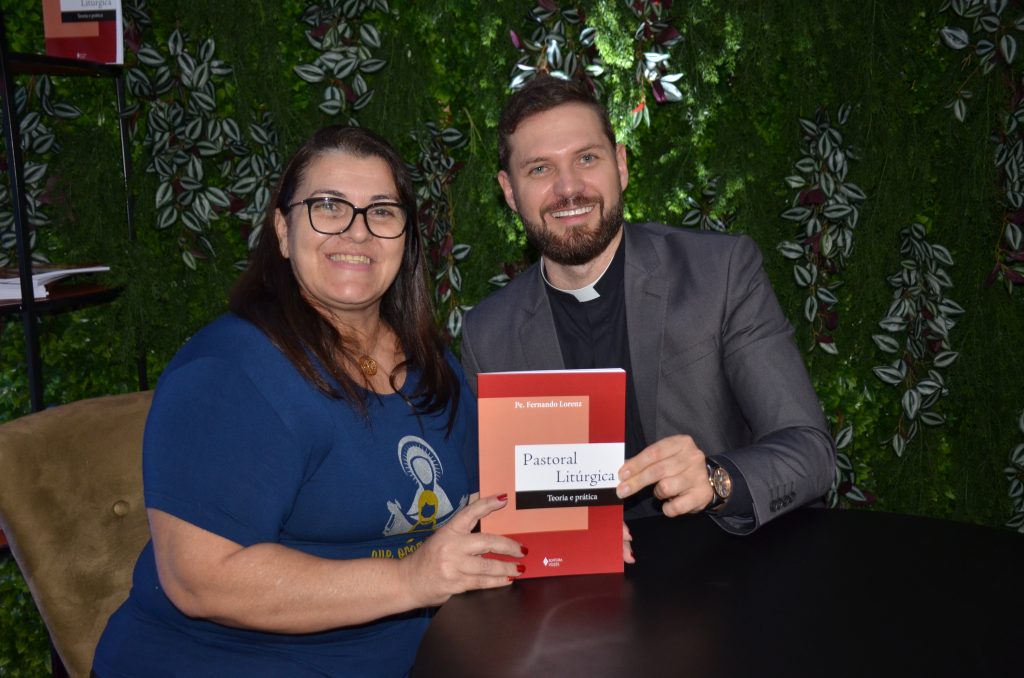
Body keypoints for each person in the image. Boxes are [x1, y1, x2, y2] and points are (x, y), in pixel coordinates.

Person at [93, 126, 525, 677]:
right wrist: (411, 578)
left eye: (382, 212)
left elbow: (493, 499)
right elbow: (199, 580)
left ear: (406, 238)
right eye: (328, 206)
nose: (357, 231)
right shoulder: (226, 372)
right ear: (282, 229)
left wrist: (585, 517)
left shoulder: (433, 363)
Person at [460, 76, 836, 547]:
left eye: (587, 158)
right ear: (510, 192)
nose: (568, 188)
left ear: (620, 165)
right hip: (578, 583)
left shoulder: (718, 274)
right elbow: (501, 504)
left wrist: (716, 480)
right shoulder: (487, 335)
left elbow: (810, 452)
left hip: (727, 563)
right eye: (539, 169)